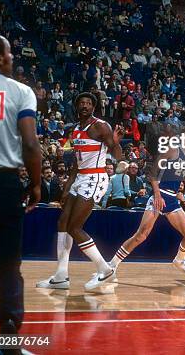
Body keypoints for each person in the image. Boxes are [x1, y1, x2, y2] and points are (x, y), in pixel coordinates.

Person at [0, 30, 41, 342]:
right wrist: (35, 184)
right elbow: (31, 145)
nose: (12, 57)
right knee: (6, 258)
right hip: (3, 182)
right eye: (9, 52)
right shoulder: (20, 91)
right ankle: (8, 318)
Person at [36, 92, 123, 291]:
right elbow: (77, 163)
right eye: (81, 103)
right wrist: (67, 188)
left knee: (74, 227)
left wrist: (115, 141)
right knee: (62, 223)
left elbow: (117, 157)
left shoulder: (101, 126)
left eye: (88, 103)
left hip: (95, 177)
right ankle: (60, 276)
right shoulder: (74, 130)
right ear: (77, 107)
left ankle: (105, 268)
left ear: (93, 107)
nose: (84, 105)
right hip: (80, 177)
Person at [108, 126, 185, 278]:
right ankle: (112, 265)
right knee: (141, 235)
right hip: (160, 194)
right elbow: (152, 173)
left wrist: (178, 192)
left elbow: (177, 176)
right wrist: (157, 194)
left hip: (172, 199)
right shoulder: (172, 150)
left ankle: (179, 261)